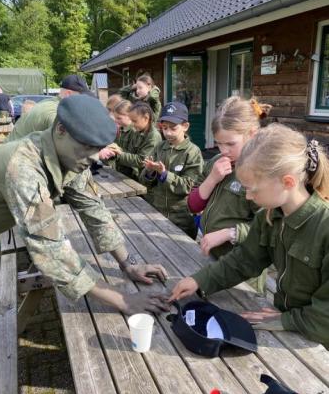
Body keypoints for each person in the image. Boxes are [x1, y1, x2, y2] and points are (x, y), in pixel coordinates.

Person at [0, 95, 170, 317]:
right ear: (60, 130)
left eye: (99, 148)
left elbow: (94, 210)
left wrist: (128, 264)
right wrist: (123, 300)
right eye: (88, 146)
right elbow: (51, 250)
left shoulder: (70, 157)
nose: (95, 157)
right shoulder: (23, 167)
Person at [170, 123, 329, 348]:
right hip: (290, 326)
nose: (248, 196)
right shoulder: (270, 216)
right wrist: (200, 280)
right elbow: (244, 260)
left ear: (288, 182)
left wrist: (285, 320)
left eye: (254, 189)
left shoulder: (324, 226)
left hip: (317, 343)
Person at [187, 96, 272, 294]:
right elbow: (192, 205)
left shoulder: (261, 173)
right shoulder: (217, 161)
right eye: (218, 143)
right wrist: (212, 179)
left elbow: (269, 226)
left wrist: (230, 233)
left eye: (230, 144)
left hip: (243, 270)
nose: (224, 150)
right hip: (212, 257)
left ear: (252, 134)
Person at [140, 101, 203, 239]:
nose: (168, 132)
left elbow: (191, 186)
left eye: (173, 128)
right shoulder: (159, 147)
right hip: (157, 213)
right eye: (164, 128)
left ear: (185, 126)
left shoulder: (192, 152)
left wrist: (164, 174)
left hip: (182, 218)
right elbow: (145, 182)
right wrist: (149, 172)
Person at [6, 74, 93, 142]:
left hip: (15, 152)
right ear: (68, 94)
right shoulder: (54, 111)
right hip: (12, 159)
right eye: (81, 97)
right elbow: (66, 141)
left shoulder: (52, 102)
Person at [104, 102, 162, 181]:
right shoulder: (138, 132)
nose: (132, 124)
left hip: (145, 181)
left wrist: (119, 153)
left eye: (134, 121)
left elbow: (141, 161)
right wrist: (116, 149)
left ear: (146, 118)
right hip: (135, 177)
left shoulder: (153, 137)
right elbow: (131, 153)